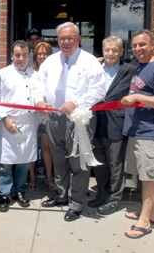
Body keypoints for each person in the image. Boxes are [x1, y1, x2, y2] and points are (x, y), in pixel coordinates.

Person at [35, 22, 106, 222]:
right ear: (57, 40)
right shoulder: (50, 61)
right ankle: (60, 195)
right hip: (55, 118)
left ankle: (76, 203)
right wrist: (39, 100)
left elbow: (99, 91)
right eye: (62, 38)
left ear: (78, 38)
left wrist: (76, 102)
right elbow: (38, 85)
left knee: (78, 162)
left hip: (78, 120)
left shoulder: (89, 61)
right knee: (58, 159)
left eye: (70, 38)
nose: (66, 42)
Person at [121, 29, 154, 239]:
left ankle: (145, 222)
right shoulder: (140, 67)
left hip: (151, 133)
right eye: (134, 45)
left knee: (150, 177)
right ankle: (149, 213)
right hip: (137, 131)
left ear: (153, 45)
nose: (137, 49)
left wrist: (136, 98)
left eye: (142, 44)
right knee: (141, 174)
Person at [88, 36, 137, 215]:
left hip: (117, 124)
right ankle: (102, 194)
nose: (110, 53)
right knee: (99, 164)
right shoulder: (95, 69)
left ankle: (114, 200)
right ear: (103, 51)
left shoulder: (130, 70)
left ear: (121, 52)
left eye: (115, 50)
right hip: (95, 123)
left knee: (116, 165)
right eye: (107, 50)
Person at [0, 40, 39, 212]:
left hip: (28, 122)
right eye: (17, 55)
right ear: (11, 56)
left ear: (29, 56)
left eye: (24, 55)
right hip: (7, 122)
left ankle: (19, 191)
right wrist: (5, 118)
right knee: (5, 162)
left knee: (25, 161)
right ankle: (4, 194)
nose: (21, 58)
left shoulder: (35, 75)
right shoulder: (2, 74)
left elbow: (39, 95)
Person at [28, 42, 54, 191]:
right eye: (40, 54)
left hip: (48, 115)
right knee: (31, 147)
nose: (42, 57)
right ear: (35, 56)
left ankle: (49, 177)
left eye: (46, 54)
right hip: (32, 115)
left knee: (46, 147)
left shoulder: (55, 72)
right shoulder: (30, 72)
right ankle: (31, 176)